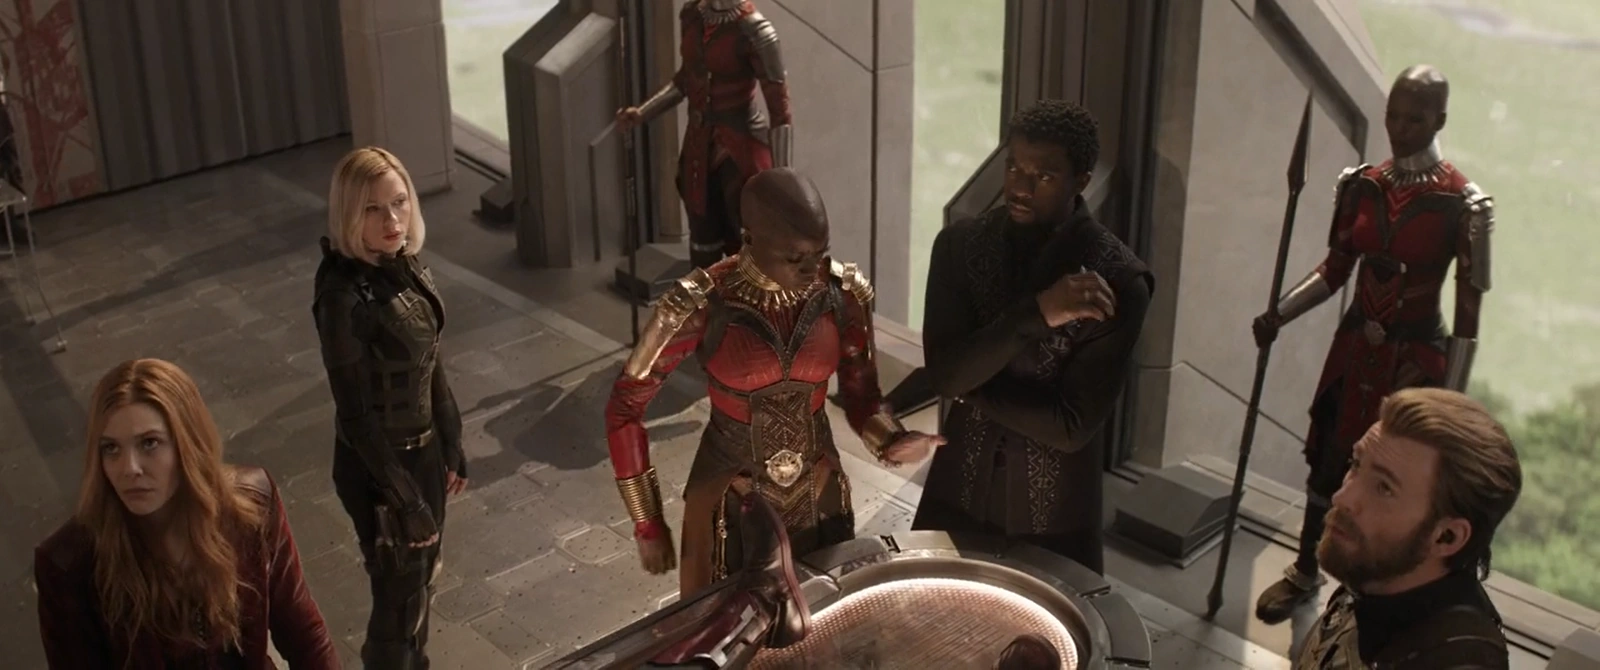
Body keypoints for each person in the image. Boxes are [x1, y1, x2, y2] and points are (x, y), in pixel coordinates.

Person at [605, 167, 943, 596]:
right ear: (749, 238)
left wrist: (890, 440)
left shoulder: (841, 294)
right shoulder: (700, 303)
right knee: (730, 624)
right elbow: (624, 408)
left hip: (819, 492)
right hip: (729, 497)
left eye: (820, 252)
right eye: (795, 257)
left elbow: (862, 396)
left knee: (822, 613)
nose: (812, 268)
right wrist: (647, 521)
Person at [1251, 65, 1495, 623]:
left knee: (1396, 481)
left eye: (1415, 119)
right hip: (1355, 347)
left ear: (1439, 120)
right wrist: (1279, 313)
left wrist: (1450, 403)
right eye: (1393, 116)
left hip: (1414, 359)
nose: (1400, 129)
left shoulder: (1464, 205)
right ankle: (1307, 569)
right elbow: (1336, 269)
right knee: (1328, 462)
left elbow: (1469, 314)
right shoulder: (1364, 185)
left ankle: (1372, 597)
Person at [913, 99, 1154, 575]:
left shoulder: (1120, 281)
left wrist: (966, 380)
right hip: (957, 488)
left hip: (1057, 514)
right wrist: (1038, 313)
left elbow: (1069, 428)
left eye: (1043, 176)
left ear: (1081, 181)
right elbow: (944, 376)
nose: (1019, 188)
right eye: (1013, 167)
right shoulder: (959, 246)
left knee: (1050, 618)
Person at [33, 358, 338, 669]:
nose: (129, 468)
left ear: (189, 444)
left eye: (149, 443)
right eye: (111, 448)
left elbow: (304, 634)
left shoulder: (252, 506)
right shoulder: (68, 564)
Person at [313, 146, 469, 669]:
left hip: (422, 452)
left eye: (399, 202)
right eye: (373, 209)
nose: (392, 220)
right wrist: (405, 500)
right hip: (378, 468)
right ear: (349, 214)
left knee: (423, 579)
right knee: (398, 597)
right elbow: (356, 417)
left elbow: (430, 358)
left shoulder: (401, 264)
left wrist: (451, 439)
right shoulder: (342, 295)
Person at [1295, 388, 1520, 669]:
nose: (1342, 498)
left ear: (1446, 537)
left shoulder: (1454, 660)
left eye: (1383, 488)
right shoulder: (1376, 576)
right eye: (1356, 464)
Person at [615, 0, 794, 269]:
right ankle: (704, 296)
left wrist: (783, 182)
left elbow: (780, 113)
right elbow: (686, 80)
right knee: (702, 240)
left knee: (748, 245)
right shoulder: (692, 15)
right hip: (698, 150)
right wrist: (642, 112)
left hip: (742, 152)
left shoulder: (755, 30)